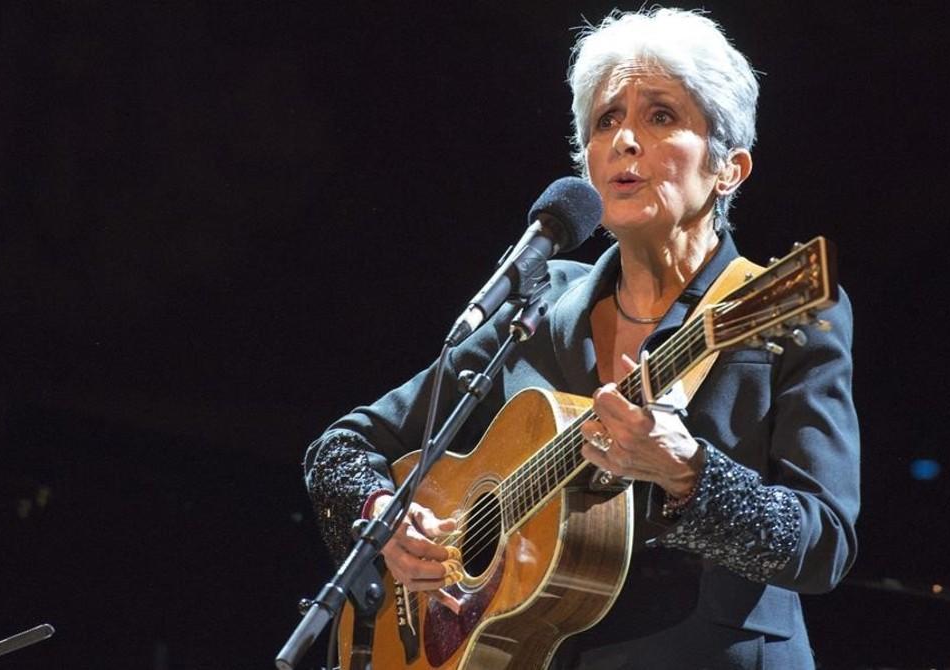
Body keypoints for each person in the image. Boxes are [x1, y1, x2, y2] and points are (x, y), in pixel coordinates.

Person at [304, 7, 858, 668]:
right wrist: (384, 516)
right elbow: (343, 446)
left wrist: (690, 474)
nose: (625, 139)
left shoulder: (774, 309)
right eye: (606, 120)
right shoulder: (540, 302)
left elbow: (824, 544)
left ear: (729, 168)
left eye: (660, 116)